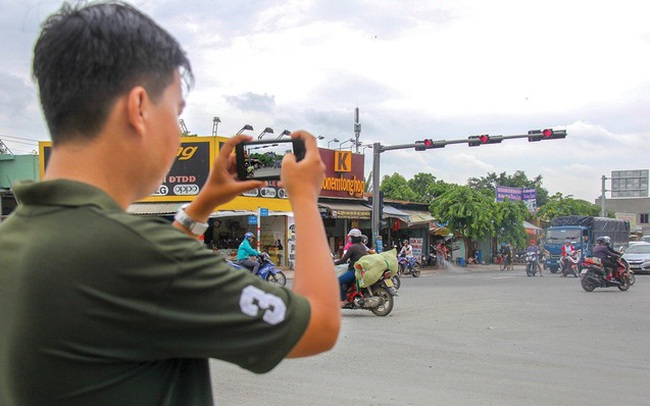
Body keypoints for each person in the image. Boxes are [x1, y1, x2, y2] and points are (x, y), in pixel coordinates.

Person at [0, 2, 340, 405]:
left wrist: (202, 206)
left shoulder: (16, 238)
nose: (178, 136)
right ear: (139, 108)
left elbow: (146, 293)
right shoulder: (141, 255)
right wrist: (304, 197)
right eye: (177, 113)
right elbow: (318, 324)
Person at [334, 229, 368, 306]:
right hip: (362, 269)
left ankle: (344, 300)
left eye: (350, 237)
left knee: (338, 281)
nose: (349, 238)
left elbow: (343, 260)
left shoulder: (352, 248)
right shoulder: (362, 246)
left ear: (354, 238)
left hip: (355, 271)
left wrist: (333, 263)